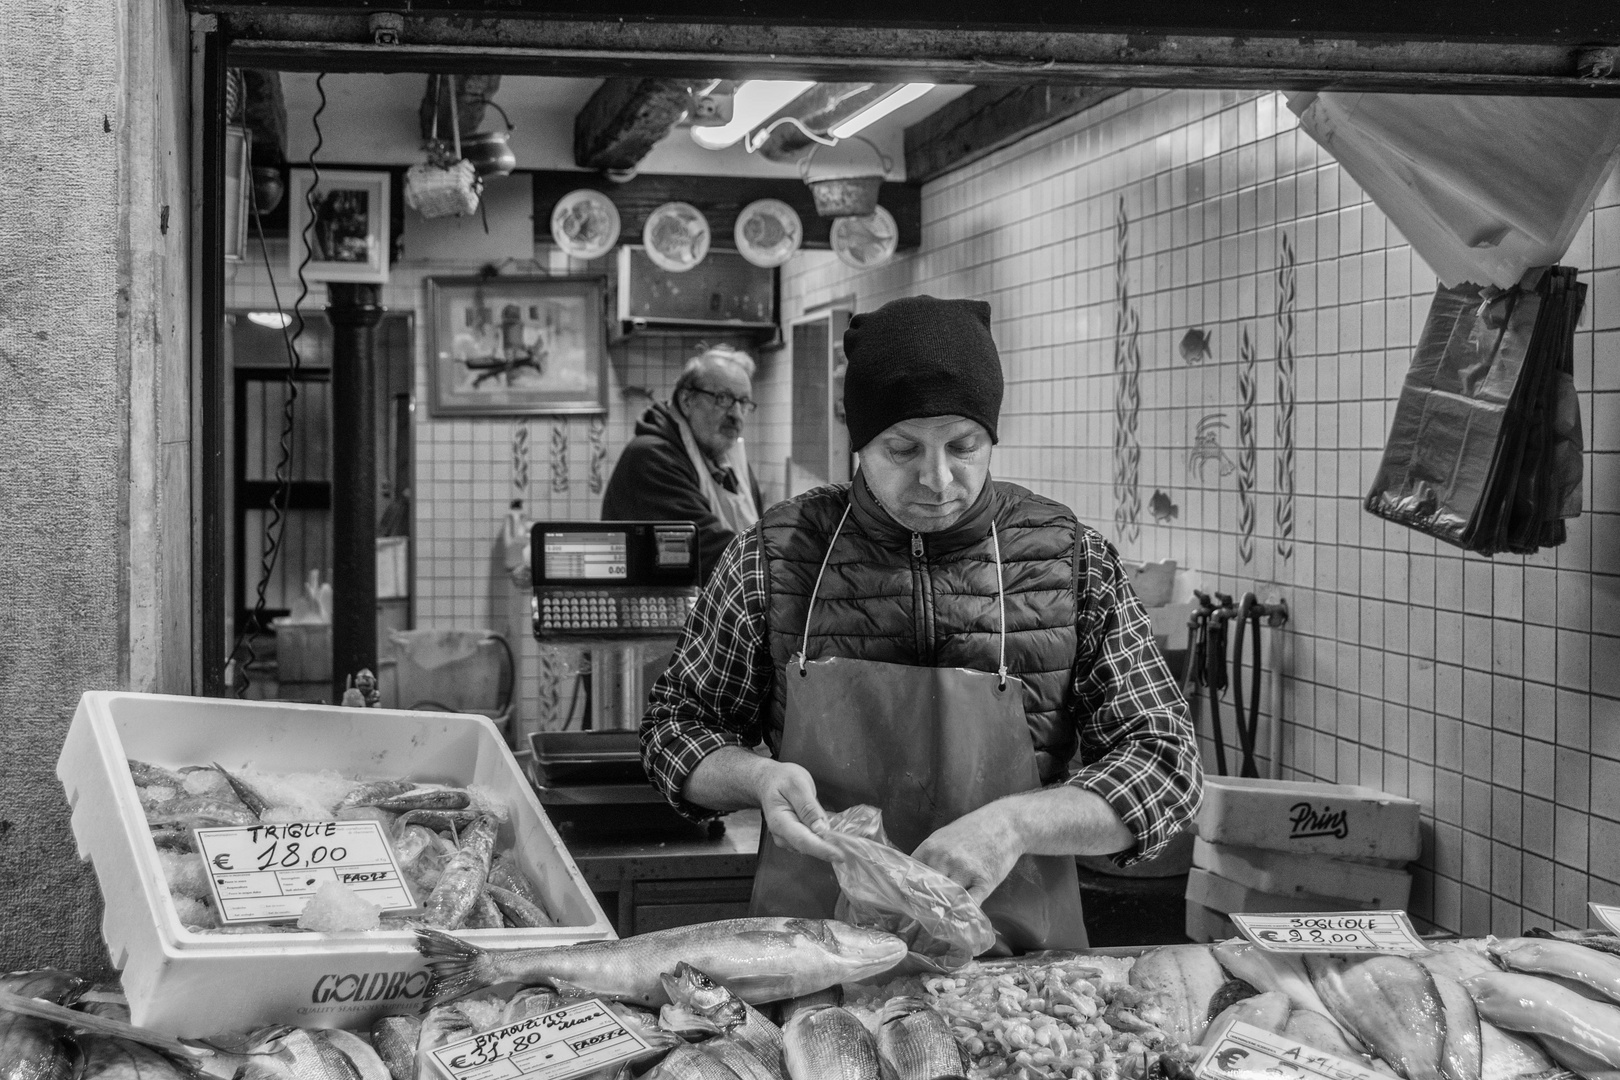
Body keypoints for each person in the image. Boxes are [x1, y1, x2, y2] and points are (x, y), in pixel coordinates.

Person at [639, 296, 1203, 953]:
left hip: (1013, 970)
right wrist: (756, 779)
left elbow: (1165, 765)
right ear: (860, 443)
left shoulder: (1069, 558)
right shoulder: (775, 556)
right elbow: (674, 729)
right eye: (902, 448)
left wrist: (1016, 825)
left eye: (964, 446)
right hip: (816, 957)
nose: (937, 479)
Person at [602, 345, 764, 584]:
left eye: (743, 403)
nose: (736, 415)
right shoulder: (651, 458)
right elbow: (709, 550)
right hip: (655, 611)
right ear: (687, 400)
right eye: (723, 399)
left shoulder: (728, 460)